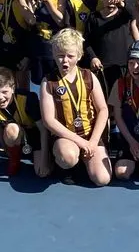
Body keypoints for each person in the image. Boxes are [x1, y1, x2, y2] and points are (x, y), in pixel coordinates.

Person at [39, 29, 112, 186]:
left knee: (102, 179)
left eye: (70, 56)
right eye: (60, 55)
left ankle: (86, 160)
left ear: (79, 56)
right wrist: (81, 143)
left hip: (89, 135)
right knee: (68, 157)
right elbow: (48, 120)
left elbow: (103, 110)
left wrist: (92, 142)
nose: (65, 61)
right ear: (53, 54)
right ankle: (65, 165)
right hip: (66, 137)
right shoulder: (48, 82)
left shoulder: (89, 76)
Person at [16, 0, 71, 86]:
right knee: (39, 88)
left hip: (56, 50)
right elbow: (30, 22)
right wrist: (22, 2)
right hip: (38, 49)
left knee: (58, 88)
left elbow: (61, 21)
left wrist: (47, 2)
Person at [0, 66, 49, 178]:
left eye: (4, 92)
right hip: (17, 135)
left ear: (13, 88)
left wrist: (44, 159)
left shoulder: (28, 99)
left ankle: (42, 155)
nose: (0, 97)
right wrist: (7, 150)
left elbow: (43, 130)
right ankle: (14, 159)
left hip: (35, 135)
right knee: (11, 129)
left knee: (42, 172)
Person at [110, 41, 139, 181]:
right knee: (121, 173)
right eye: (131, 63)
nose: (135, 68)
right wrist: (132, 143)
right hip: (128, 137)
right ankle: (134, 159)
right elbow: (117, 117)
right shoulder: (120, 83)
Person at [83, 0, 138, 92]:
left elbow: (133, 14)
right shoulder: (94, 17)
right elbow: (86, 41)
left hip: (122, 66)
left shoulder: (123, 16)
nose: (111, 2)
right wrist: (93, 57)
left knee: (122, 96)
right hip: (102, 66)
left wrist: (121, 4)